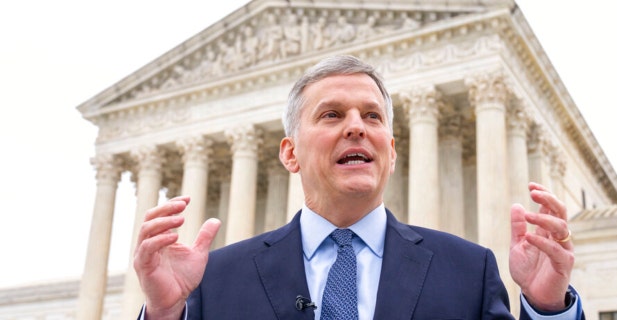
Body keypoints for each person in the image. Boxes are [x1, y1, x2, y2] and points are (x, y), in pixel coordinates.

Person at [134, 55, 583, 319]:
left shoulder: (469, 272)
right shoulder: (215, 280)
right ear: (289, 153)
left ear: (392, 149)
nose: (356, 128)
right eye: (332, 115)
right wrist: (165, 315)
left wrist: (547, 308)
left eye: (372, 116)